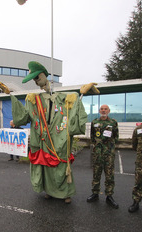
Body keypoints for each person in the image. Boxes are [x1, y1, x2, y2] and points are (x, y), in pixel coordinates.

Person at [9, 61, 97, 204]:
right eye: (34, 80)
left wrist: (79, 96)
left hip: (59, 137)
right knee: (46, 165)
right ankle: (50, 191)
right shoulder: (34, 99)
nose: (36, 82)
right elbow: (23, 118)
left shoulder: (65, 98)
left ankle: (65, 193)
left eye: (37, 78)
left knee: (61, 165)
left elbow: (74, 116)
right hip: (43, 139)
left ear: (43, 76)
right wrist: (12, 96)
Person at [87, 105, 119, 209]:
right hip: (97, 153)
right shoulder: (94, 122)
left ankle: (109, 196)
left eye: (105, 109)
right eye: (102, 109)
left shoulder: (113, 122)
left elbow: (116, 137)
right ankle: (95, 193)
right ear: (99, 111)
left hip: (108, 154)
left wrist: (109, 147)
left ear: (109, 111)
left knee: (109, 175)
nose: (103, 110)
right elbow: (92, 136)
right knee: (96, 173)